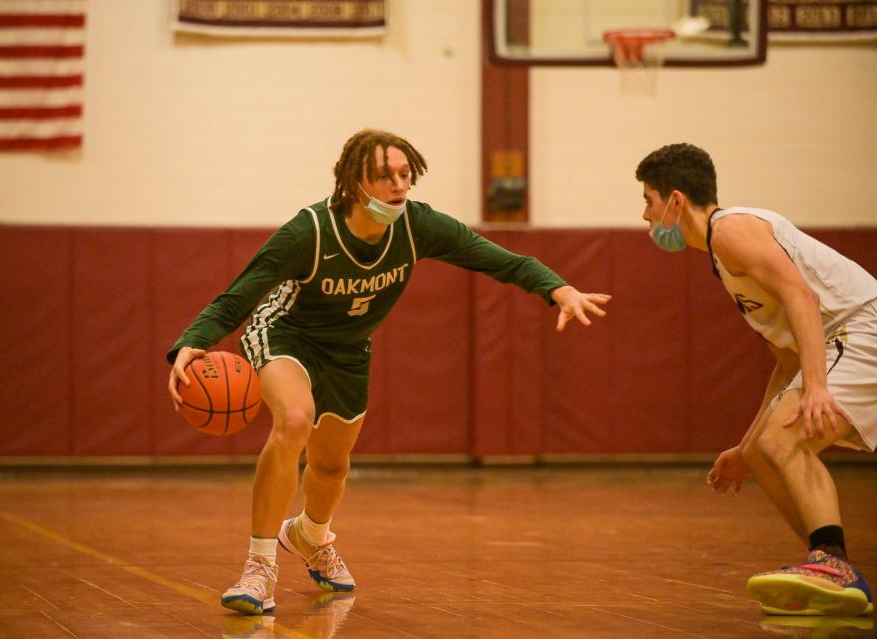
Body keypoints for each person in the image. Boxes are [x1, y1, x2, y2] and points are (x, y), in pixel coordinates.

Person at [167, 128, 611, 615]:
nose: (399, 185)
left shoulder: (418, 226)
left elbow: (498, 259)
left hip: (350, 351)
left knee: (332, 466)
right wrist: (193, 342)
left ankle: (311, 537)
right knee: (294, 420)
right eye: (385, 176)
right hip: (285, 335)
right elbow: (240, 294)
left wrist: (558, 289)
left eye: (405, 175)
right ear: (355, 182)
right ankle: (259, 567)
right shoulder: (309, 232)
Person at [635, 143, 875, 617]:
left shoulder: (730, 229)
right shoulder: (723, 258)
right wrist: (745, 448)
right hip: (836, 342)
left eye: (648, 200)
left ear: (676, 201)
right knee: (766, 452)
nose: (645, 216)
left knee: (783, 442)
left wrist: (819, 388)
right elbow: (786, 363)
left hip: (860, 329)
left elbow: (803, 298)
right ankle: (829, 572)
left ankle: (834, 564)